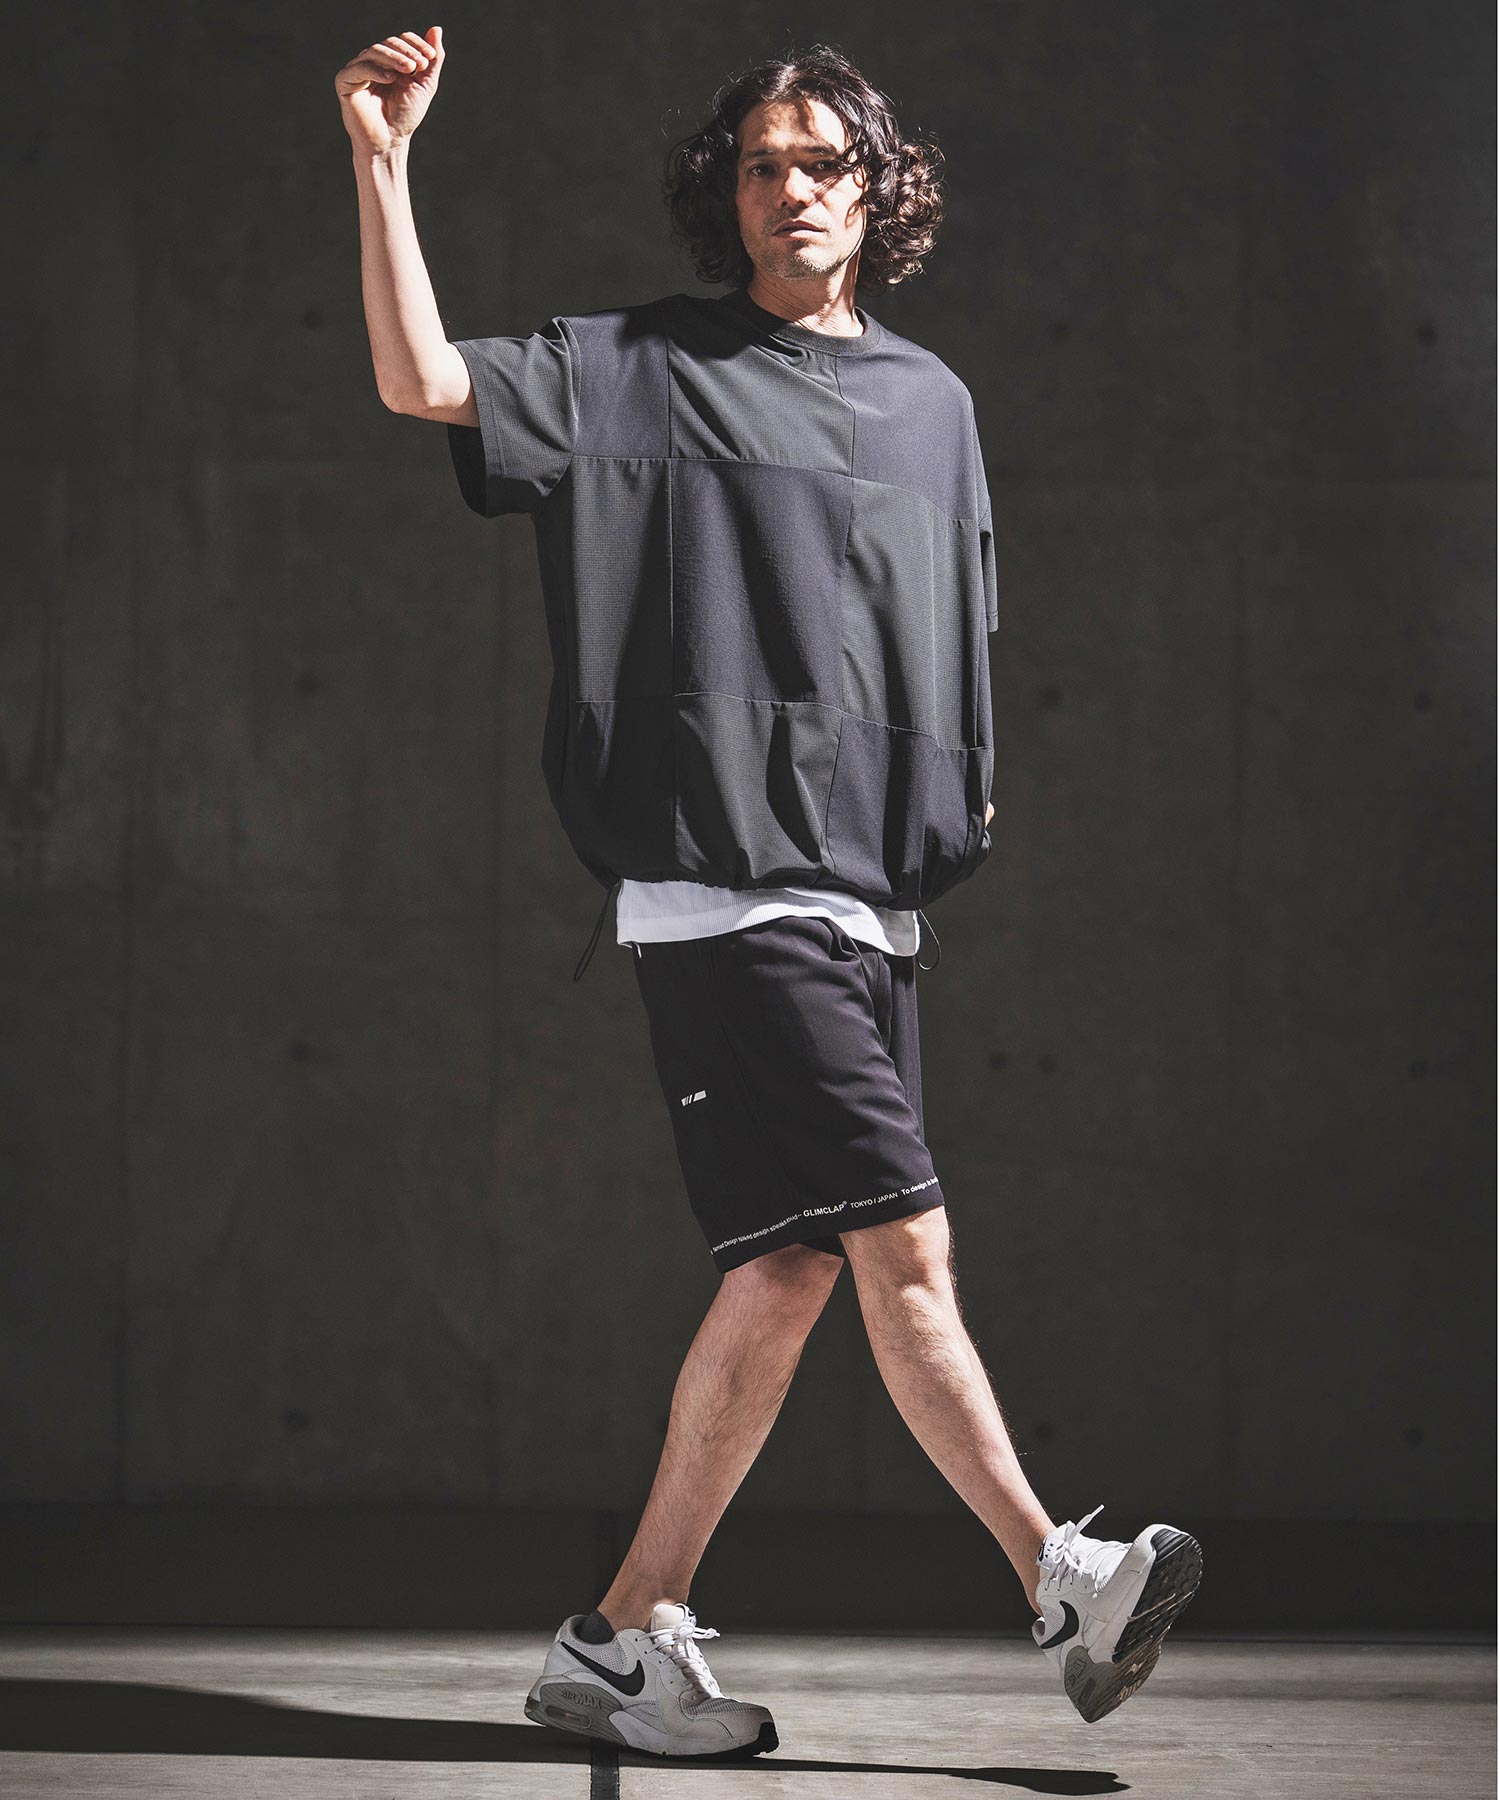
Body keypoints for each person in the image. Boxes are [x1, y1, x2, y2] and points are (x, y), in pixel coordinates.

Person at [336, 27, 1202, 1760]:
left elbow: (945, 635)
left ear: (878, 193)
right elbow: (423, 380)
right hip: (729, 895)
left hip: (867, 904)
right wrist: (382, 157)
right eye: (762, 165)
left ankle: (617, 1639)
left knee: (790, 1271)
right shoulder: (643, 367)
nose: (793, 189)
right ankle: (1058, 1574)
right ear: (726, 195)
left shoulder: (933, 405)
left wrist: (948, 797)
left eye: (824, 163)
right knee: (904, 1240)